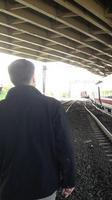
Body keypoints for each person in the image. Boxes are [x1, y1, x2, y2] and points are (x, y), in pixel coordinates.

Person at [0, 59, 75, 200]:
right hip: (44, 186)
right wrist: (69, 180)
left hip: (9, 186)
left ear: (12, 79)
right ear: (33, 77)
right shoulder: (53, 107)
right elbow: (65, 146)